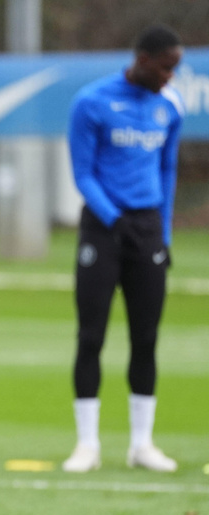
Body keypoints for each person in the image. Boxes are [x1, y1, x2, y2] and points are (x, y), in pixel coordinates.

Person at [63, 25, 184, 473]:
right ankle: (87, 444)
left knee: (146, 337)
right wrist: (114, 219)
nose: (171, 76)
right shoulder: (92, 101)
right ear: (143, 59)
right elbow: (83, 173)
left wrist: (164, 234)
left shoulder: (169, 107)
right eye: (166, 66)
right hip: (103, 226)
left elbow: (167, 171)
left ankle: (141, 444)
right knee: (91, 335)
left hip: (148, 228)